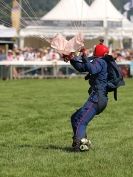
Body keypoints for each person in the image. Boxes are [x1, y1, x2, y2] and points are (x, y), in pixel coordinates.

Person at [63, 39, 109, 152]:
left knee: (80, 121)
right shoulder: (100, 61)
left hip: (97, 98)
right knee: (75, 118)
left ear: (96, 52)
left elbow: (92, 69)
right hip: (99, 98)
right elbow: (83, 67)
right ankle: (82, 141)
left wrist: (83, 56)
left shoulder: (100, 62)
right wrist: (72, 58)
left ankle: (79, 146)